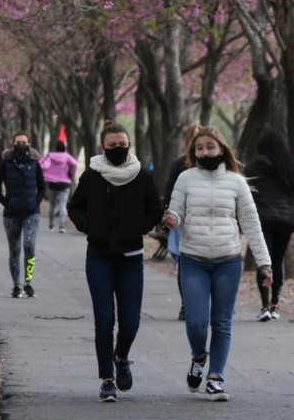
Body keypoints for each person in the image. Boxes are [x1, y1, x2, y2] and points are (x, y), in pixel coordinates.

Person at [162, 125, 273, 402]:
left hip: (227, 261)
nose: (205, 151)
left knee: (222, 322)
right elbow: (176, 210)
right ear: (193, 151)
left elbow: (252, 224)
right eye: (199, 148)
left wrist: (264, 263)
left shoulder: (236, 182)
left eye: (210, 146)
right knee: (197, 322)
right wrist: (172, 219)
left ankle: (216, 377)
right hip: (193, 260)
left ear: (221, 149)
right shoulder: (186, 179)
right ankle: (199, 356)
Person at [67, 120, 162, 402]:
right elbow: (75, 206)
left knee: (131, 322)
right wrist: (90, 226)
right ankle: (107, 380)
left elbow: (154, 209)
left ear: (129, 145)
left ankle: (121, 356)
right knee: (104, 320)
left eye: (123, 145)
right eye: (113, 146)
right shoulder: (93, 175)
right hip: (99, 257)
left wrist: (137, 229)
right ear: (102, 148)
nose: (118, 149)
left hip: (131, 258)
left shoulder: (142, 176)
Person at [245, 131, 294, 322]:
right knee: (277, 260)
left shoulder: (252, 168)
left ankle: (265, 305)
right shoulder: (288, 167)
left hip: (261, 221)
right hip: (285, 222)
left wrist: (240, 221)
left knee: (263, 261)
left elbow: (242, 195)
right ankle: (275, 305)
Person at [0, 131, 46, 298]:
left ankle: (28, 282)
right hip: (11, 214)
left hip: (31, 212)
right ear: (13, 144)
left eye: (24, 142)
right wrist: (6, 202)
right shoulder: (6, 163)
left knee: (29, 245)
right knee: (14, 250)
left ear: (29, 144)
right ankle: (16, 285)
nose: (21, 145)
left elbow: (42, 187)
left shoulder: (35, 163)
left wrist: (36, 202)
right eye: (18, 142)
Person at [163, 124, 201, 321]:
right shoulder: (178, 164)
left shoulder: (210, 165)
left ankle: (200, 304)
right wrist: (167, 216)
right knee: (184, 265)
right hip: (181, 221)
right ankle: (186, 304)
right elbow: (169, 191)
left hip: (203, 221)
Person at [39, 140, 78, 232]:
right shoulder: (67, 156)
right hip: (64, 184)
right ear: (64, 148)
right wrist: (71, 172)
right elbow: (75, 164)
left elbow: (43, 165)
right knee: (62, 205)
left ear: (55, 148)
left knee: (52, 205)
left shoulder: (50, 155)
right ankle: (61, 226)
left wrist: (45, 173)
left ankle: (51, 225)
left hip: (52, 184)